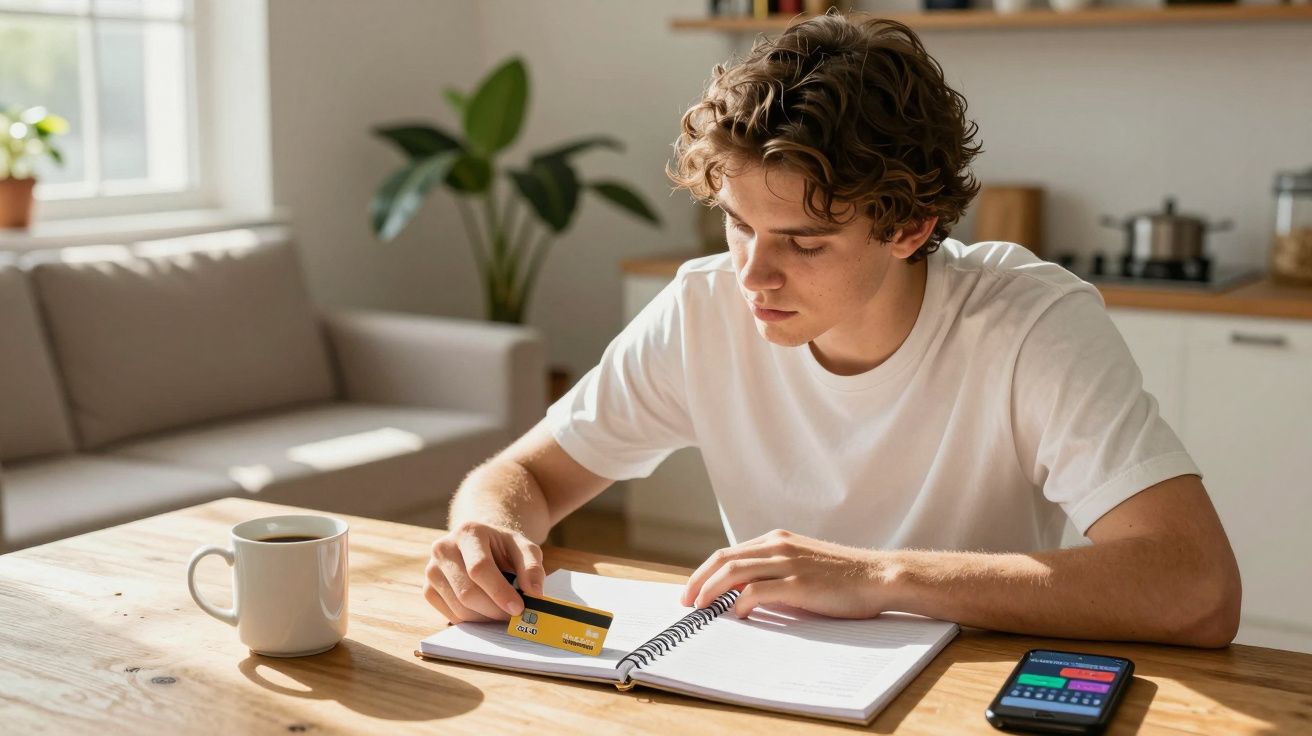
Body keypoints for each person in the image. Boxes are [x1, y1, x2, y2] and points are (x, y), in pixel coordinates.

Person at [423, 14, 1241, 647]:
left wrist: (879, 577)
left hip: (968, 686)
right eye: (738, 224)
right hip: (774, 682)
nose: (752, 274)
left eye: (805, 243)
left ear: (910, 228)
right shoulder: (703, 307)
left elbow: (1197, 586)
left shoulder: (1028, 324)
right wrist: (487, 533)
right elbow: (526, 475)